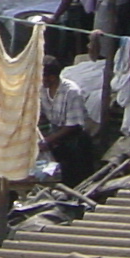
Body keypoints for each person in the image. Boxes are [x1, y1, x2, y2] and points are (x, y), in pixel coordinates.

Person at [40, 59, 99, 187]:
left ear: (52, 77)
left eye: (43, 76)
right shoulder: (42, 90)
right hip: (56, 133)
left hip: (75, 138)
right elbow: (40, 114)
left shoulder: (71, 92)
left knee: (76, 176)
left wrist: (47, 140)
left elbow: (73, 125)